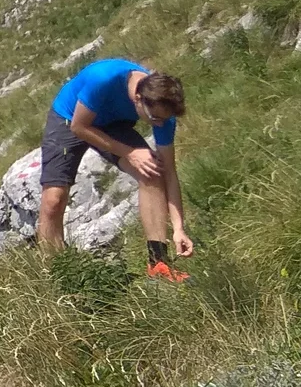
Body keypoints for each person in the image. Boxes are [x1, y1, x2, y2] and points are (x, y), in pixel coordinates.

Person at [39, 57, 192, 279]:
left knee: (152, 171)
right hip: (71, 117)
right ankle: (57, 274)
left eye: (164, 120)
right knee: (53, 200)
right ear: (138, 99)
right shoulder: (103, 79)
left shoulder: (162, 112)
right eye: (154, 119)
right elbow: (79, 127)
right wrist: (129, 152)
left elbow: (170, 172)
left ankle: (159, 265)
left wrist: (179, 228)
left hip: (112, 123)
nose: (159, 124)